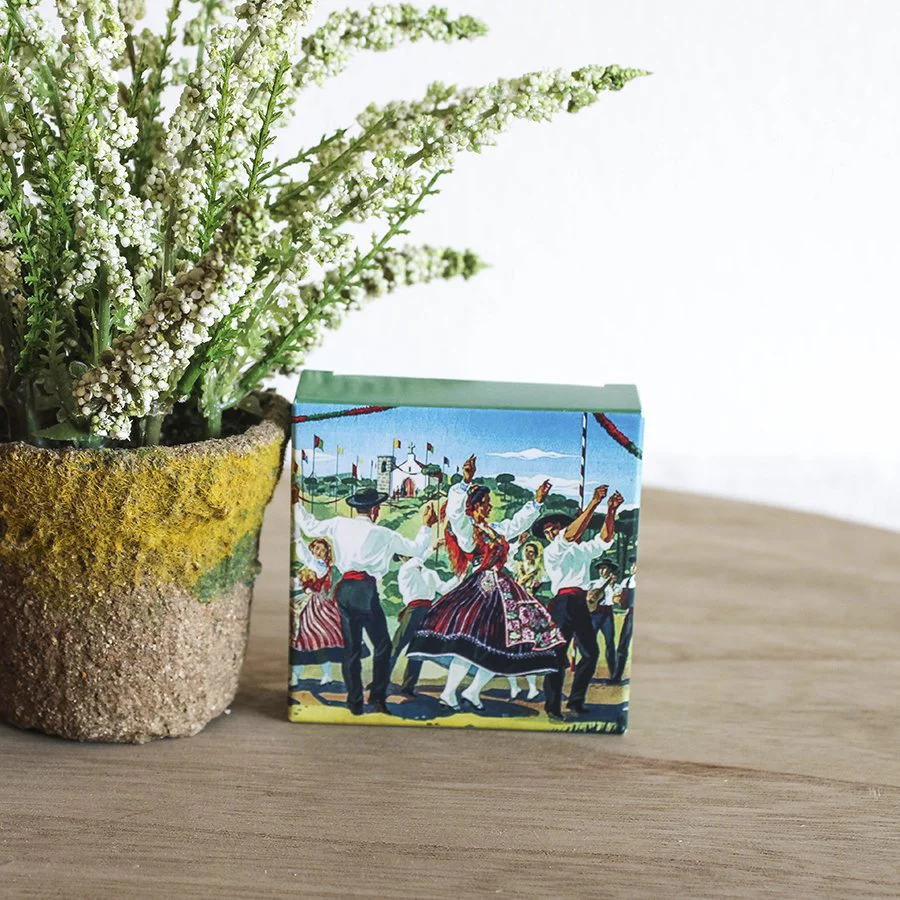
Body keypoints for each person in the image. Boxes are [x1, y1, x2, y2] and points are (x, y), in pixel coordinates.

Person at [407, 455, 564, 711]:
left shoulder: (495, 528)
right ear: (475, 506)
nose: (490, 507)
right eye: (486, 504)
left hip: (502, 591)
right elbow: (456, 515)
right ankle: (448, 692)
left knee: (499, 644)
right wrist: (465, 481)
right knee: (468, 644)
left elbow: (516, 524)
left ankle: (472, 691)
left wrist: (536, 502)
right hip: (480, 590)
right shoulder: (468, 532)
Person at [294, 488, 437, 716]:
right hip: (366, 591)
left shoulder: (339, 524)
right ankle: (377, 699)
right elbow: (416, 549)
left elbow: (309, 527)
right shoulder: (384, 534)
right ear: (375, 510)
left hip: (345, 591)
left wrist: (296, 503)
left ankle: (355, 702)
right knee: (383, 646)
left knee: (351, 649)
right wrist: (426, 525)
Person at [537, 484, 624, 719]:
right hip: (562, 603)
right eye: (548, 532)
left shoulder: (581, 550)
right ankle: (552, 707)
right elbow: (570, 536)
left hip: (581, 603)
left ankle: (576, 702)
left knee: (591, 653)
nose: (551, 533)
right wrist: (594, 502)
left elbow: (604, 539)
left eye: (555, 528)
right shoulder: (552, 551)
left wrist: (611, 510)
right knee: (558, 656)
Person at [390, 555, 460, 697]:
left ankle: (408, 686)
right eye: (402, 556)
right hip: (412, 610)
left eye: (405, 555)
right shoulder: (406, 569)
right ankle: (381, 680)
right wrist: (429, 549)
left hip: (428, 612)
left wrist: (459, 575)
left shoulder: (430, 572)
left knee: (417, 650)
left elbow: (444, 589)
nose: (404, 558)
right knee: (396, 645)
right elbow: (417, 559)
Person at [289, 537, 350, 688]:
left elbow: (306, 557)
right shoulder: (310, 563)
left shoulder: (319, 565)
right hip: (303, 600)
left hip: (314, 603)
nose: (319, 552)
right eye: (317, 549)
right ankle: (296, 675)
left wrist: (298, 540)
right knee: (299, 641)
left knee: (315, 637)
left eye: (323, 550)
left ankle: (326, 674)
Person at [508, 539, 545, 700]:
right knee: (510, 649)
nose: (529, 554)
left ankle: (532, 688)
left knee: (529, 649)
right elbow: (507, 556)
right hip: (513, 610)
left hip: (529, 611)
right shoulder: (517, 566)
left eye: (532, 552)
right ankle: (514, 687)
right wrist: (518, 543)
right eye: (527, 551)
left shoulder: (539, 571)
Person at [587, 560, 620, 683]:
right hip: (594, 615)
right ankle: (587, 674)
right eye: (600, 568)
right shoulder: (592, 584)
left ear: (610, 570)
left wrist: (612, 585)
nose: (602, 570)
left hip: (607, 614)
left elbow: (616, 599)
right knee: (590, 644)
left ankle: (614, 675)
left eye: (605, 568)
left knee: (610, 643)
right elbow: (587, 598)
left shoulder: (615, 585)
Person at [611, 562, 637, 683]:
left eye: (635, 565)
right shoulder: (627, 581)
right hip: (630, 614)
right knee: (623, 645)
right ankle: (617, 676)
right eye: (633, 565)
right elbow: (617, 596)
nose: (633, 567)